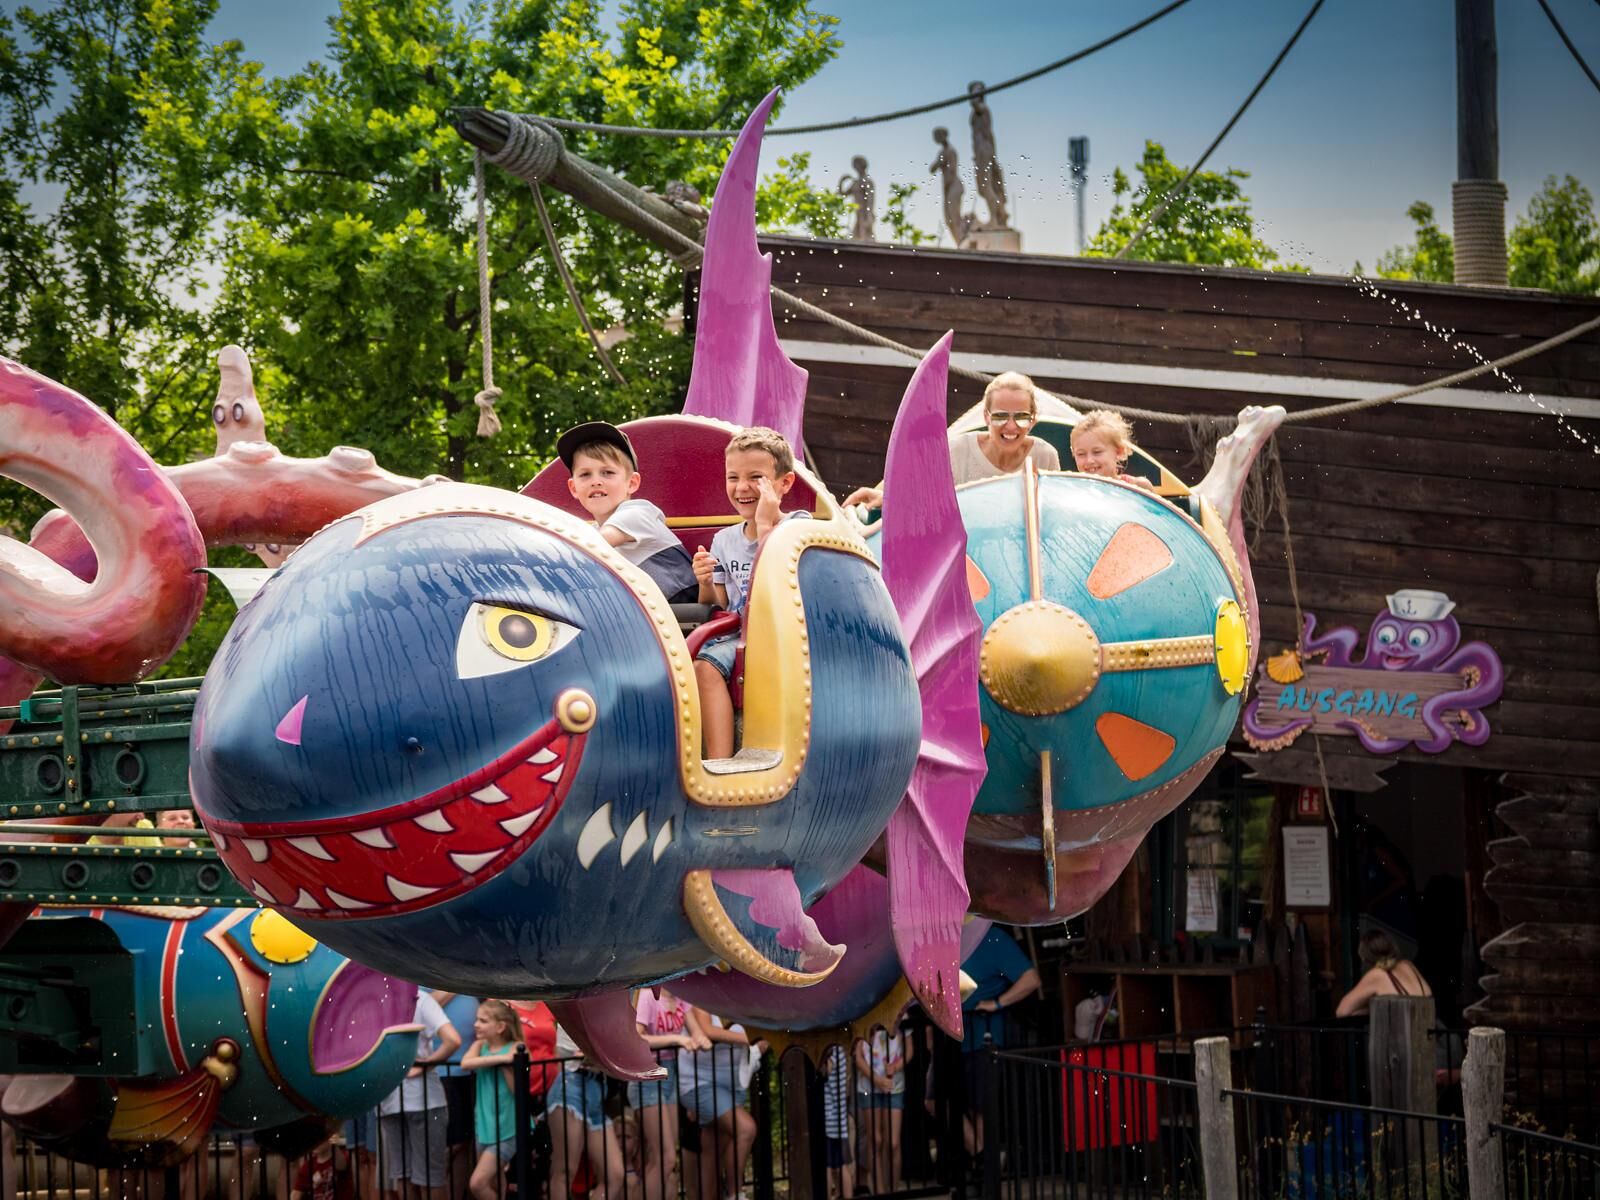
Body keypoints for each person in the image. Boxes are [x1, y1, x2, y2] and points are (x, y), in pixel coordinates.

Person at [692, 427, 807, 760]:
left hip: (783, 633)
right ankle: (717, 761)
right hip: (739, 631)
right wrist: (704, 581)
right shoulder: (724, 540)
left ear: (784, 483)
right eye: (733, 477)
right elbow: (717, 606)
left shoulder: (797, 526)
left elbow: (779, 585)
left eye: (756, 477)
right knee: (702, 665)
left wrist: (766, 526)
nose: (741, 487)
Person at [841, 372, 1059, 511]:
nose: (1011, 426)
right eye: (1001, 416)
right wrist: (888, 499)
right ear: (986, 417)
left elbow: (1053, 514)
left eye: (1021, 417)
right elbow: (919, 492)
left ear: (1033, 420)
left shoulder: (1045, 456)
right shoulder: (957, 450)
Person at [558, 420, 698, 604]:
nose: (596, 481)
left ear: (631, 483)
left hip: (685, 612)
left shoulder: (638, 512)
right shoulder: (592, 531)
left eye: (607, 472)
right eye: (585, 474)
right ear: (573, 487)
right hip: (645, 614)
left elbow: (594, 544)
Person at [958, 927, 1041, 1157]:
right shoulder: (947, 937)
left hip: (984, 1038)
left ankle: (986, 1164)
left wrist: (997, 1003)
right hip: (955, 1037)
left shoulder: (992, 937)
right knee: (937, 1099)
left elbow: (1031, 979)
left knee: (980, 1107)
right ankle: (982, 1157)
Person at [377, 988, 462, 1200]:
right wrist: (426, 1064)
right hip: (425, 1098)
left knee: (403, 1175)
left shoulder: (374, 1000)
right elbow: (452, 1040)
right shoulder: (419, 999)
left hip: (387, 1097)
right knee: (431, 1177)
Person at [629, 988, 709, 1200]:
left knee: (665, 1160)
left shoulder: (681, 995)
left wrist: (702, 1040)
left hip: (669, 1073)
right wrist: (676, 1039)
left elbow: (696, 1031)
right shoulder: (648, 995)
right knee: (666, 1159)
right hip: (648, 1073)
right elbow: (637, 1037)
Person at [679, 1008, 759, 1200]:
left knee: (713, 1145)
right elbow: (707, 1030)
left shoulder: (745, 997)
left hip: (734, 1081)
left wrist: (761, 1041)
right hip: (700, 1081)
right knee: (746, 1129)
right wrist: (751, 1039)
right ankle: (735, 1194)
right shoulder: (703, 995)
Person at [546, 1022, 625, 1200]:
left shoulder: (610, 1013)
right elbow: (570, 1051)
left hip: (596, 1087)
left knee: (615, 1175)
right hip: (571, 1084)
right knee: (565, 1170)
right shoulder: (576, 1008)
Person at [461, 1000, 523, 1200]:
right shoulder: (480, 1045)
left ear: (500, 1026)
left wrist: (505, 1064)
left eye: (483, 1021)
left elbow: (519, 1091)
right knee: (495, 1181)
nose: (476, 1025)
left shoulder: (516, 1048)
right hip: (485, 1124)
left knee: (478, 1183)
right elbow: (465, 1063)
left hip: (508, 1125)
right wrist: (501, 1060)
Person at [430, 991, 483, 1200]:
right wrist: (455, 983)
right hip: (443, 1072)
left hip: (471, 1070)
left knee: (464, 1142)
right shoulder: (427, 979)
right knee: (450, 1144)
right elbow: (427, 1006)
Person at [854, 1021, 911, 1193]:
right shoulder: (861, 1011)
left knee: (893, 1142)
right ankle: (880, 1191)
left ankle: (892, 1190)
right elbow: (857, 1056)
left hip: (894, 1085)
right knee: (875, 1140)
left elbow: (909, 1050)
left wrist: (895, 1067)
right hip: (868, 1087)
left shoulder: (901, 1013)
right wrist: (877, 1080)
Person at [1335, 929, 1434, 1018]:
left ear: (1364, 957)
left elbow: (1342, 1012)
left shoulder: (1377, 974)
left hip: (1404, 1031)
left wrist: (1373, 1009)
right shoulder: (1408, 965)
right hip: (1429, 1029)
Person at [1068, 410, 1147, 485]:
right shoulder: (1072, 488)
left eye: (1097, 452)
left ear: (1119, 452)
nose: (1089, 460)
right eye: (1081, 454)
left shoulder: (1137, 486)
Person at [820, 1044, 855, 1199]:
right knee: (841, 1165)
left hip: (830, 1120)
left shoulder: (831, 1053)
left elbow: (825, 1073)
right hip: (838, 1120)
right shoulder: (840, 1052)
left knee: (828, 1166)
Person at [290, 1132, 355, 1200]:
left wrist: (334, 1143)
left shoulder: (342, 1156)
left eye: (319, 1137)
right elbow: (297, 1192)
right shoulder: (307, 1166)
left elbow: (342, 1166)